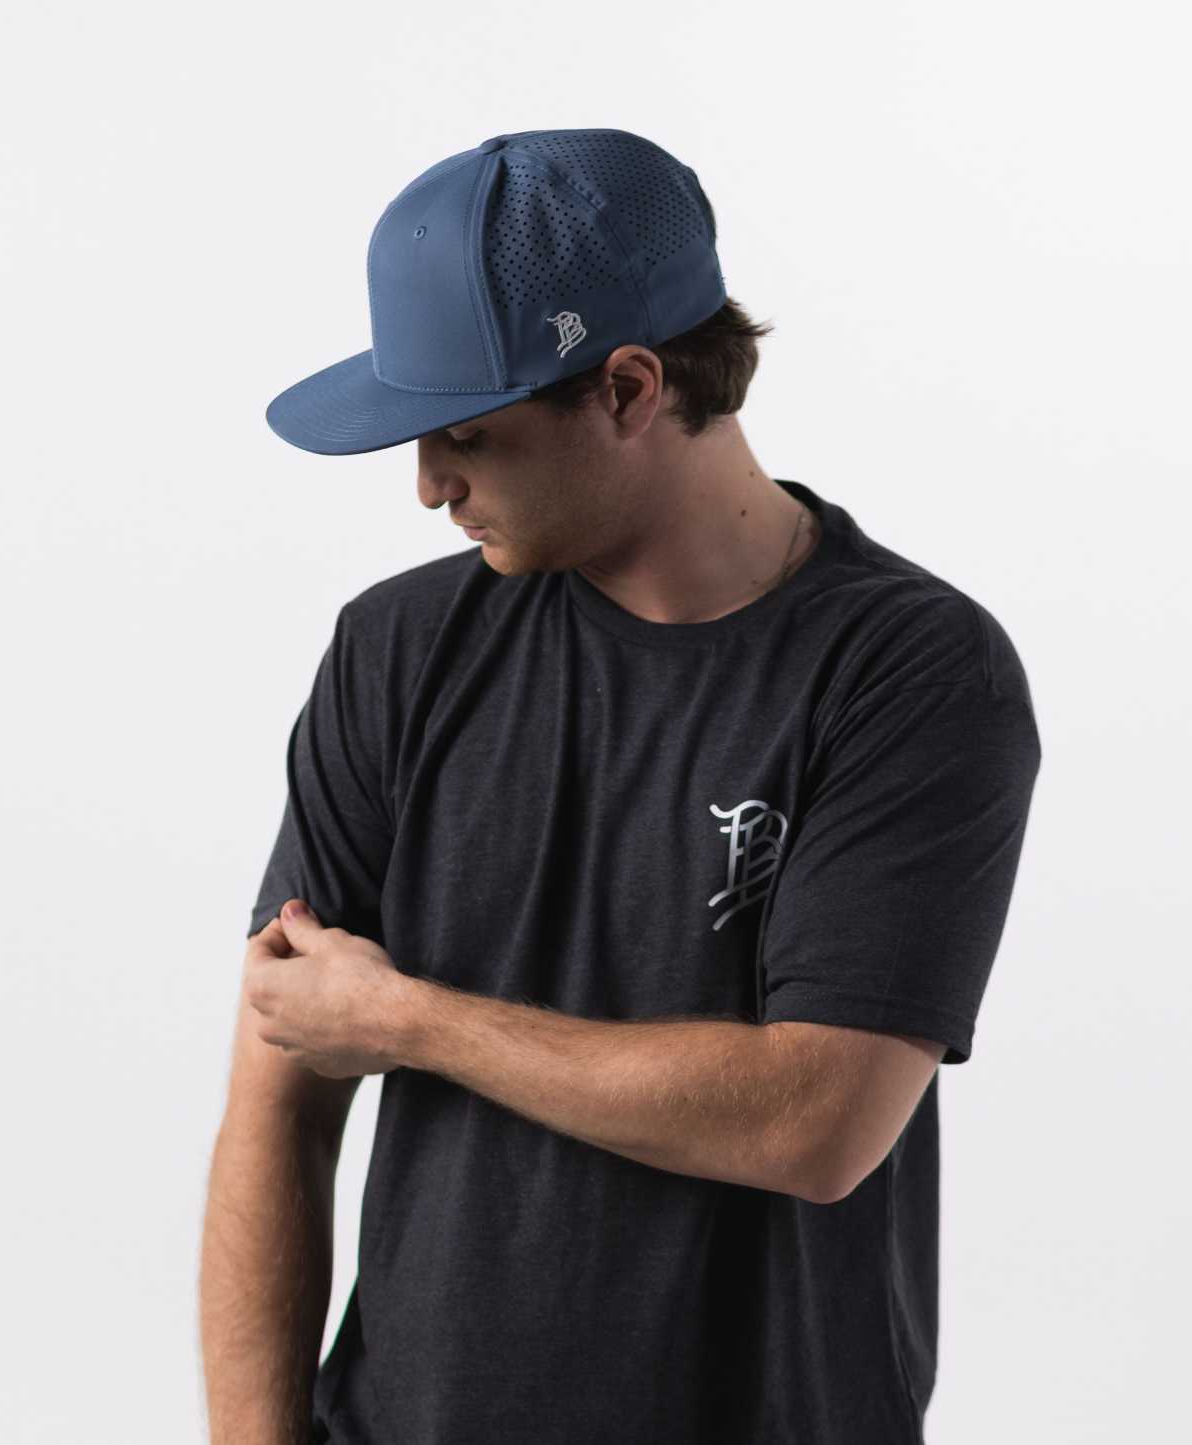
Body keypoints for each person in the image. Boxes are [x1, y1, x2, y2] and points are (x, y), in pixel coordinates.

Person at [200, 128, 1042, 1445]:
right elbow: (283, 1081)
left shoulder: (908, 673)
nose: (427, 486)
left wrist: (408, 1020)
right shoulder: (399, 650)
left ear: (630, 389)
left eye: (466, 434)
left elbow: (816, 1122)